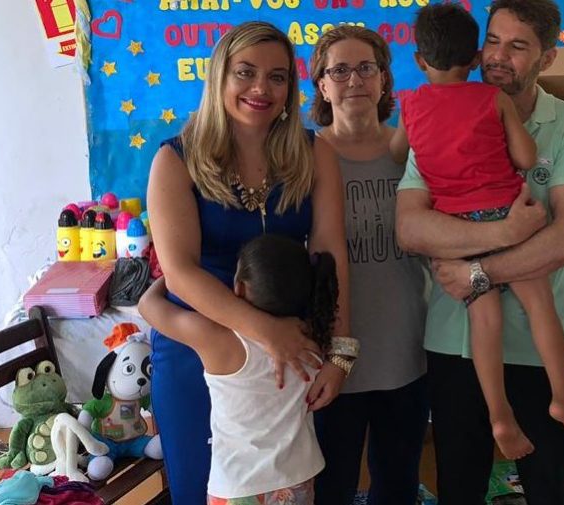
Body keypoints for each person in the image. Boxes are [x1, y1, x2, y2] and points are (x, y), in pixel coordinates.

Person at [396, 0, 564, 502]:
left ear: (546, 58)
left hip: (538, 350)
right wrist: (509, 233)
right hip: (454, 342)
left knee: (551, 488)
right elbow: (412, 229)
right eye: (492, 40)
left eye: (517, 46)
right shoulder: (440, 117)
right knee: (459, 487)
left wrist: (477, 273)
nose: (498, 56)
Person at [145, 21, 354, 503]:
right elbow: (179, 272)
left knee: (290, 485)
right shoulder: (175, 160)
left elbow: (329, 252)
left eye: (277, 77)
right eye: (245, 72)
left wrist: (342, 352)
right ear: (219, 76)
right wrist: (265, 331)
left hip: (293, 353)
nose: (261, 88)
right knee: (202, 489)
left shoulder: (314, 152)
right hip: (200, 346)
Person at [308, 25, 429, 504]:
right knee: (330, 486)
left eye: (366, 68)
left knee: (398, 483)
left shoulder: (413, 152)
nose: (354, 80)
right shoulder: (303, 158)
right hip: (329, 358)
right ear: (322, 86)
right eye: (340, 70)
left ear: (384, 80)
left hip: (406, 351)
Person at [140, 235, 336, 504]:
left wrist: (175, 273)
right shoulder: (312, 339)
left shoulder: (220, 341)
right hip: (298, 479)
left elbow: (148, 305)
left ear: (239, 287)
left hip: (239, 485)